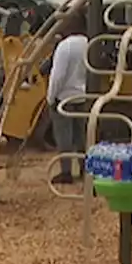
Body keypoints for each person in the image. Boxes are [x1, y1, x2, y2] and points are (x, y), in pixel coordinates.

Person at [47, 15, 89, 185]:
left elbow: (58, 76)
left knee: (64, 136)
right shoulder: (90, 43)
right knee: (82, 137)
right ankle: (85, 169)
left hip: (64, 97)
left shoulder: (66, 46)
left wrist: (51, 97)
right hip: (83, 95)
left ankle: (66, 172)